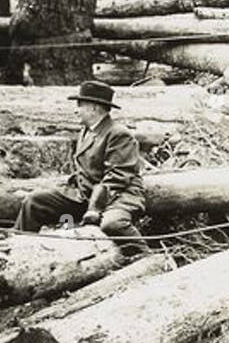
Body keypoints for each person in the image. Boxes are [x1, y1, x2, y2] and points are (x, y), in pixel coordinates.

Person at [14, 80, 146, 250]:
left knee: (112, 225)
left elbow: (118, 176)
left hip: (119, 196)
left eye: (80, 105)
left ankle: (147, 256)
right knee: (34, 202)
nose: (76, 110)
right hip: (86, 195)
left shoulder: (119, 134)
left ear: (93, 108)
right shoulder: (86, 130)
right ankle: (17, 248)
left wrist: (94, 209)